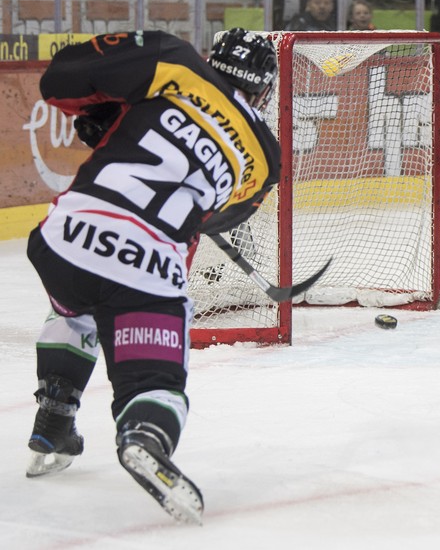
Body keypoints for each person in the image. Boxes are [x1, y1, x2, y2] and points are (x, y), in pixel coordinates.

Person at [25, 28, 280, 525]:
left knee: (76, 307)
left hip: (62, 239)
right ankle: (144, 435)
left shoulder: (175, 62)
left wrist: (105, 115)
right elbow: (212, 218)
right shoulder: (265, 160)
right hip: (145, 265)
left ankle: (53, 419)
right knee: (155, 381)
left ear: (213, 59)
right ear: (264, 91)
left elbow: (60, 82)